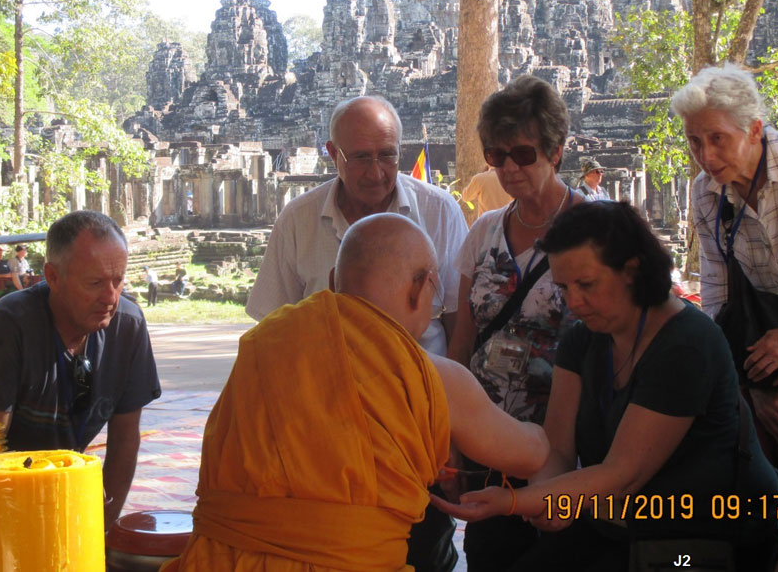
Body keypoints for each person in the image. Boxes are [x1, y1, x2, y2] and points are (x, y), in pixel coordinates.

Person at [166, 214, 549, 572]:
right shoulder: (430, 375)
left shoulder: (266, 343)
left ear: (334, 281)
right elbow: (530, 455)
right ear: (420, 289)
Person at [434, 201, 778, 572]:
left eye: (586, 285)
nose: (573, 302)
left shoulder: (687, 343)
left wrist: (518, 501)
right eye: (564, 287)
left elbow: (623, 473)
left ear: (632, 271)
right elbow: (557, 449)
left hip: (700, 540)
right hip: (617, 529)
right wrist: (547, 497)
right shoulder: (582, 339)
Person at [244, 95, 468, 569]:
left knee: (423, 549)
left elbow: (458, 325)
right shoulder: (299, 220)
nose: (376, 172)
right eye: (361, 157)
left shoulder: (439, 212)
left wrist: (452, 429)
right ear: (332, 153)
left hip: (415, 430)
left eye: (387, 155)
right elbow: (272, 336)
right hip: (321, 437)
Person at [445, 75, 582, 570]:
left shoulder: (596, 226)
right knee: (492, 556)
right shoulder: (484, 231)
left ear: (555, 151)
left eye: (523, 154)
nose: (508, 168)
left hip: (567, 442)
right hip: (489, 441)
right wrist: (452, 436)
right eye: (496, 155)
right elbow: (463, 340)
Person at [672, 64, 778, 528]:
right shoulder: (706, 194)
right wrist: (750, 385)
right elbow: (718, 295)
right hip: (763, 346)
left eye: (718, 138)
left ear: (754, 130)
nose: (706, 156)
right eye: (695, 142)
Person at [0, 211, 162, 529]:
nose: (111, 297)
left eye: (118, 280)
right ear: (53, 277)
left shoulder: (128, 325)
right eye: (95, 283)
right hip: (4, 494)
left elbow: (125, 439)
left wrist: (101, 529)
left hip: (69, 487)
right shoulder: (10, 326)